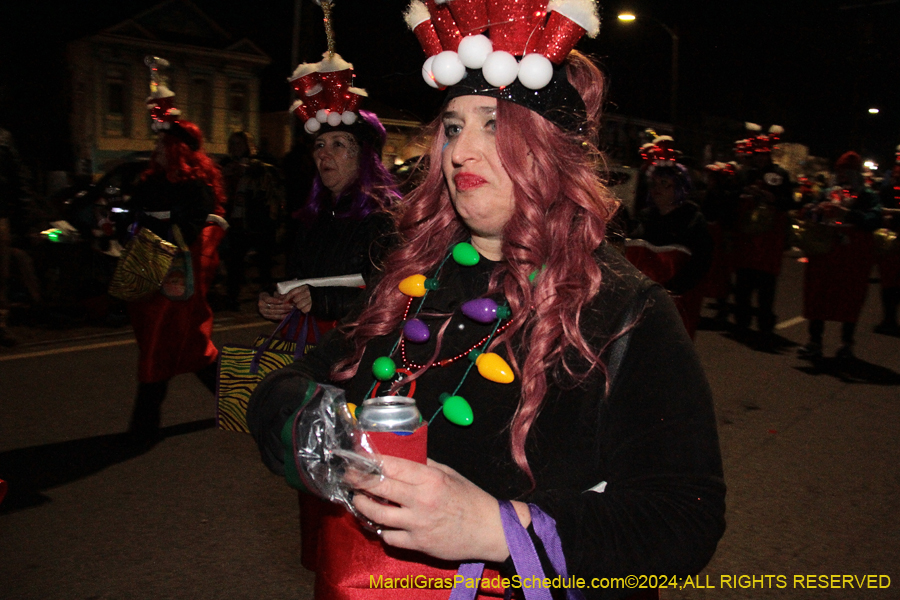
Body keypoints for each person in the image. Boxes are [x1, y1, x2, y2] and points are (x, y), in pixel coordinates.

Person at [248, 4, 725, 596]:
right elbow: (289, 385)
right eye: (452, 127)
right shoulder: (414, 277)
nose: (460, 152)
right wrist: (326, 443)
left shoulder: (627, 310)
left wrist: (494, 528)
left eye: (494, 125)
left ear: (552, 148)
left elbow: (686, 517)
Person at [121, 61, 227, 445]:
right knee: (184, 347)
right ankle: (241, 403)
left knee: (164, 342)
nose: (156, 151)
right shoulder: (151, 181)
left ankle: (142, 429)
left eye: (161, 145)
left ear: (175, 148)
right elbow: (136, 219)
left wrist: (162, 222)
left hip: (178, 274)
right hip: (154, 270)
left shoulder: (194, 184)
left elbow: (196, 228)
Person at [256, 108, 398, 328]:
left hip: (358, 348)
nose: (323, 154)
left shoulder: (386, 214)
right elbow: (298, 278)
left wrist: (323, 300)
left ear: (365, 155)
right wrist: (274, 297)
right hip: (314, 347)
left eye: (338, 144)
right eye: (320, 145)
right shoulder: (314, 215)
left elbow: (392, 294)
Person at [798, 151, 882, 361]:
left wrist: (847, 213)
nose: (843, 176)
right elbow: (809, 214)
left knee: (849, 296)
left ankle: (846, 344)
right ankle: (814, 342)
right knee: (818, 293)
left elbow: (875, 218)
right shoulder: (827, 192)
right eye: (840, 172)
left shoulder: (867, 195)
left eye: (848, 172)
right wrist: (813, 209)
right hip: (826, 250)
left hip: (853, 254)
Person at [628, 161, 713, 338]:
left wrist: (672, 290)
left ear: (680, 188)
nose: (657, 188)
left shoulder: (693, 220)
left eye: (664, 183)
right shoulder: (644, 218)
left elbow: (701, 262)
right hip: (641, 300)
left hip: (675, 302)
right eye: (654, 183)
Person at [731, 124, 794, 347]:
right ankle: (742, 323)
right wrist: (745, 194)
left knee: (766, 285)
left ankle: (765, 326)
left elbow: (789, 202)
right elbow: (732, 197)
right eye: (756, 154)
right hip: (747, 238)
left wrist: (772, 198)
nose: (759, 158)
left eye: (763, 154)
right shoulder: (745, 174)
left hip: (769, 240)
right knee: (744, 284)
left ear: (769, 154)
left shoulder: (781, 175)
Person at [218, 131, 284, 311]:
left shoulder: (260, 166)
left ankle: (270, 299)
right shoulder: (226, 165)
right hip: (236, 222)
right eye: (232, 144)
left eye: (239, 143)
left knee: (264, 264)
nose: (235, 148)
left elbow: (271, 188)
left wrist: (247, 171)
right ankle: (232, 299)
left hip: (257, 223)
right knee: (235, 263)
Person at [874, 144, 900, 336]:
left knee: (892, 282)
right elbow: (880, 205)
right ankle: (889, 318)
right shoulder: (889, 184)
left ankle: (889, 319)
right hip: (890, 237)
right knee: (889, 282)